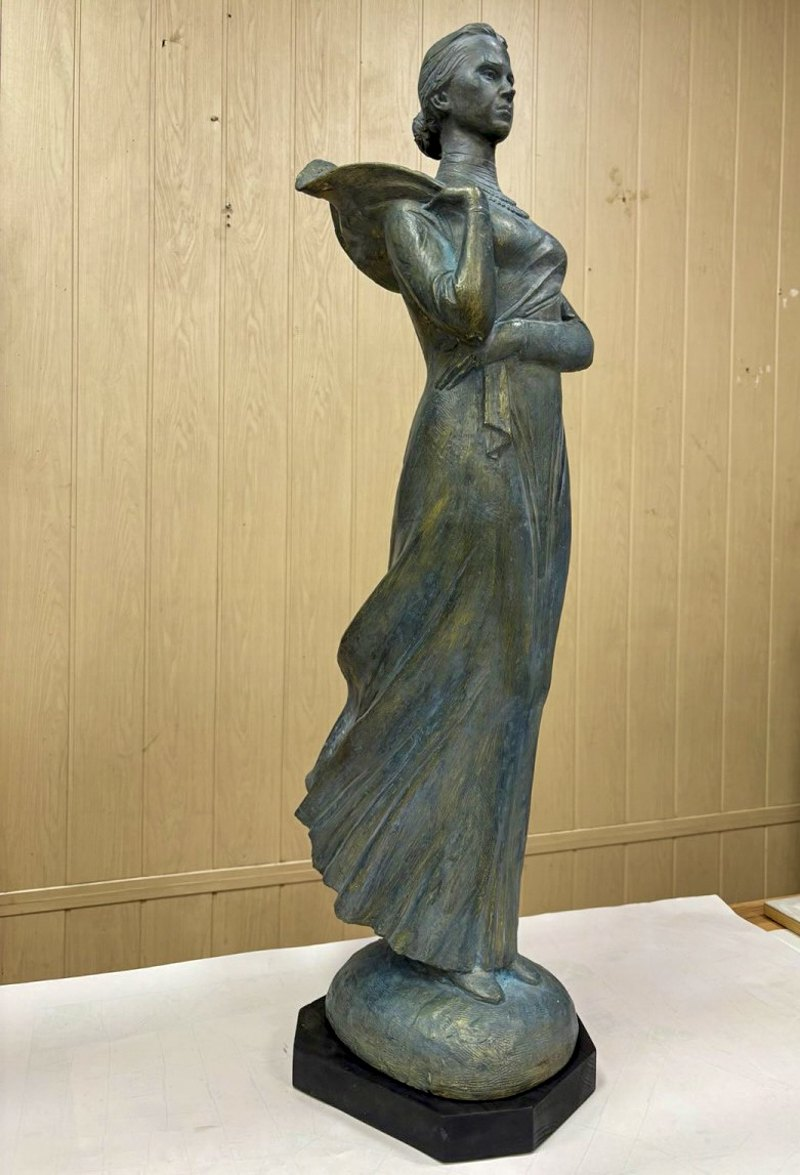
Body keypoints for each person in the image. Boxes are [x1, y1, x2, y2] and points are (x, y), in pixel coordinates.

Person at [295, 23, 593, 1005]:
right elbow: (460, 312)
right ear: (441, 98)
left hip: (537, 457)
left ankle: (485, 931)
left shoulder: (511, 217)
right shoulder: (412, 215)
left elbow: (579, 341)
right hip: (469, 453)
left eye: (513, 72)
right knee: (463, 672)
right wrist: (468, 223)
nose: (508, 87)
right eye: (487, 73)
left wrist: (522, 336)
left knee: (520, 680)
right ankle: (438, 926)